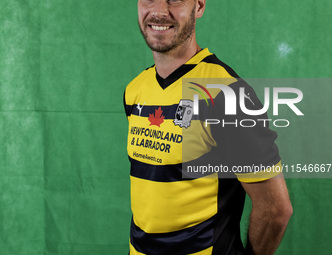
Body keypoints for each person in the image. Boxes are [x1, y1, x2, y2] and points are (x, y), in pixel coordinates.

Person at [123, 0, 293, 254]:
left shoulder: (227, 94)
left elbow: (275, 210)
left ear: (199, 6)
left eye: (174, 0)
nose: (158, 10)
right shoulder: (135, 90)